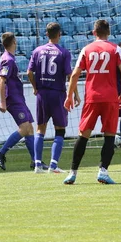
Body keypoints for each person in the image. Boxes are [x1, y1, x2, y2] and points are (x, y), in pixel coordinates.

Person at [63, 19, 121, 185]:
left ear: (94, 33)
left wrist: (69, 96)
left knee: (83, 135)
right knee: (109, 136)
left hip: (92, 98)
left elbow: (74, 74)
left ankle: (72, 173)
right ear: (108, 33)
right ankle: (103, 171)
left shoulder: (86, 49)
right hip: (110, 98)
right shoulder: (116, 49)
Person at [27, 22, 80, 174]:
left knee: (40, 128)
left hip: (42, 94)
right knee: (60, 130)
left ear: (47, 34)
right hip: (58, 94)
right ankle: (53, 165)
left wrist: (35, 87)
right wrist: (75, 94)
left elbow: (29, 72)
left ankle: (37, 164)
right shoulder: (64, 52)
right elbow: (70, 75)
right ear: (59, 34)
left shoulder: (37, 51)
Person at [0, 32, 36, 170]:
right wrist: (3, 101)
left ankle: (35, 161)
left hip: (18, 98)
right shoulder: (8, 60)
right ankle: (1, 152)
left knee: (29, 128)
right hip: (13, 99)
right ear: (14, 42)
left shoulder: (9, 58)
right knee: (24, 128)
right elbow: (1, 80)